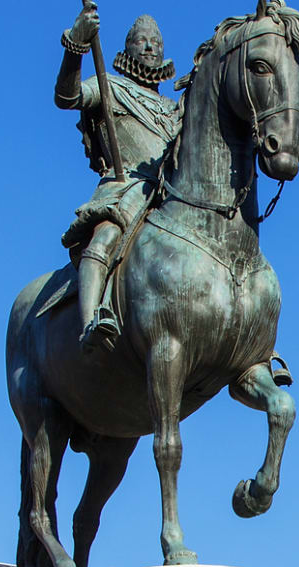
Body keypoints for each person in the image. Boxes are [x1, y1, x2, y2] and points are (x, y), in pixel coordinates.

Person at [53, 0, 184, 353]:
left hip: (169, 196)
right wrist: (76, 47)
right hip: (124, 188)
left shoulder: (173, 110)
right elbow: (68, 97)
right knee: (105, 236)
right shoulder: (109, 86)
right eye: (141, 40)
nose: (149, 46)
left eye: (156, 41)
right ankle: (91, 320)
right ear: (127, 48)